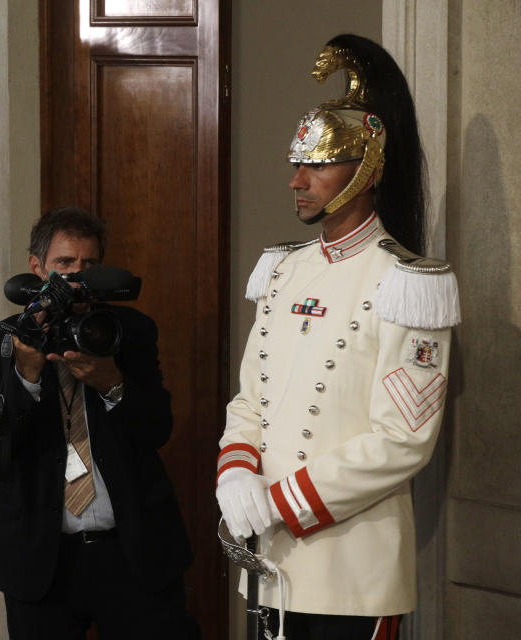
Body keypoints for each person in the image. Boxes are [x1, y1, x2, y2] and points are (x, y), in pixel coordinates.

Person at [215, 34, 461, 639]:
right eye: (296, 164)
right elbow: (252, 397)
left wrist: (282, 501)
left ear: (368, 168)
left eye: (318, 163)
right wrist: (237, 470)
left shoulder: (409, 283)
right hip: (268, 566)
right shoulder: (284, 269)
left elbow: (403, 439)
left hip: (353, 573)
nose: (298, 180)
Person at [0, 207, 200, 639]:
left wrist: (113, 384)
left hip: (132, 553)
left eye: (89, 265)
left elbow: (157, 430)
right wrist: (26, 375)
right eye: (65, 264)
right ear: (36, 268)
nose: (77, 277)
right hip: (40, 559)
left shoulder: (129, 331)